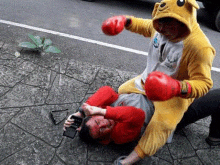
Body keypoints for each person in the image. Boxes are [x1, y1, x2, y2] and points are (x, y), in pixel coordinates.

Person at [101, 0, 216, 164]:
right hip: (144, 81)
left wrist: (175, 87)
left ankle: (128, 161)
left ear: (184, 21)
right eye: (159, 23)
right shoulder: (159, 28)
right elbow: (143, 25)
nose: (161, 29)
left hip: (174, 96)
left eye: (168, 25)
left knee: (161, 126)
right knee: (119, 91)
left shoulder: (200, 47)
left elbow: (204, 83)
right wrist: (123, 21)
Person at [63, 86, 220, 146]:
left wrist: (81, 112)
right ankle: (215, 137)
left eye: (98, 122)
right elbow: (137, 115)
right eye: (100, 131)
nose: (104, 125)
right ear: (104, 139)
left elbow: (108, 91)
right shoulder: (118, 135)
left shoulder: (108, 106)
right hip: (172, 115)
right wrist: (103, 113)